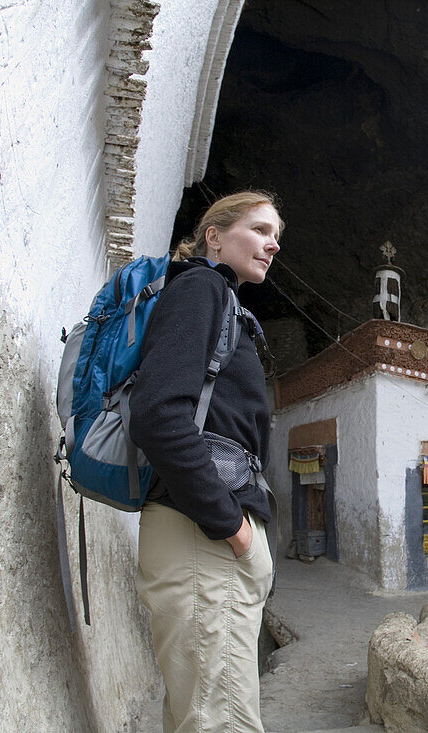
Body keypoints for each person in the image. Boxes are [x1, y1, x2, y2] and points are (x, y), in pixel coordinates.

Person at [129, 191, 283, 733]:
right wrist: (231, 525)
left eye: (276, 235)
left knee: (206, 716)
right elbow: (158, 417)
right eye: (260, 229)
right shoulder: (200, 288)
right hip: (204, 537)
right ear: (213, 234)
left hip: (213, 545)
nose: (273, 243)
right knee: (220, 721)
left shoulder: (224, 303)